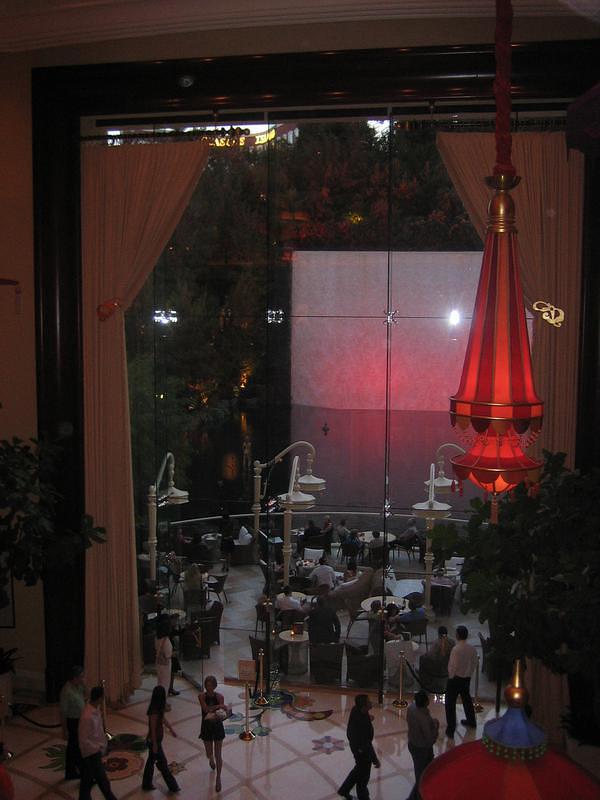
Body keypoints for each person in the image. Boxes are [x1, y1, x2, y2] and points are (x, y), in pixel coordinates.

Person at [338, 694, 380, 800]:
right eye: (368, 702)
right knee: (363, 777)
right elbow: (367, 745)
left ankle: (344, 790)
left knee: (358, 770)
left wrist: (368, 718)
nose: (371, 703)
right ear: (364, 707)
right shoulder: (362, 724)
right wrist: (375, 760)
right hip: (362, 751)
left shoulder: (357, 710)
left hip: (356, 747)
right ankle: (363, 797)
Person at [78, 685, 117, 800]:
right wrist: (98, 748)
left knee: (87, 780)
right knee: (103, 782)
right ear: (99, 698)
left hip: (95, 750)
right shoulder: (87, 716)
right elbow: (83, 739)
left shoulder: (94, 710)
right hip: (91, 753)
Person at [142, 685, 179, 792]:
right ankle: (173, 787)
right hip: (154, 741)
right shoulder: (154, 711)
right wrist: (154, 744)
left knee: (151, 763)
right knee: (163, 764)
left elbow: (163, 719)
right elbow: (153, 729)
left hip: (155, 741)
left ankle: (146, 783)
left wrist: (171, 729)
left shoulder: (157, 708)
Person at [444, 625, 478, 737]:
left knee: (450, 703)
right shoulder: (472, 649)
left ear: (457, 635)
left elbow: (452, 665)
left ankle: (451, 728)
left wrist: (451, 676)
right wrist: (468, 674)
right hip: (466, 678)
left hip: (455, 679)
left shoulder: (456, 649)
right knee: (467, 700)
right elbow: (474, 663)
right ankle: (472, 721)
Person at [407, 690, 438, 798]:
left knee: (424, 768)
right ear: (426, 702)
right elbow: (429, 738)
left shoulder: (411, 708)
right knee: (421, 776)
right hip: (422, 748)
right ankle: (416, 796)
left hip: (413, 743)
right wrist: (435, 727)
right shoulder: (424, 718)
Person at [198, 676, 227, 793]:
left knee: (218, 754)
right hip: (206, 727)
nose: (209, 688)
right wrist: (218, 706)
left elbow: (221, 711)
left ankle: (218, 778)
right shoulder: (201, 697)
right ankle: (211, 759)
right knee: (209, 752)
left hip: (217, 726)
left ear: (214, 686)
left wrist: (223, 709)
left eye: (211, 685)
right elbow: (205, 709)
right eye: (207, 685)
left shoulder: (220, 697)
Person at [59, 665, 86, 780]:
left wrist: (84, 684)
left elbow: (87, 694)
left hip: (80, 720)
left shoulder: (78, 686)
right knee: (74, 747)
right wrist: (65, 730)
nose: (83, 678)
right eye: (81, 677)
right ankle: (76, 771)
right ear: (74, 678)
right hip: (73, 722)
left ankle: (73, 771)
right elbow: (63, 713)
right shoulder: (66, 692)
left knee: (74, 747)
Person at [155, 615, 173, 695]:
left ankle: (160, 700)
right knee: (165, 683)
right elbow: (168, 654)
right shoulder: (166, 640)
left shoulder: (157, 638)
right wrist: (173, 654)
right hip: (165, 664)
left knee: (160, 681)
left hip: (158, 662)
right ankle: (163, 702)